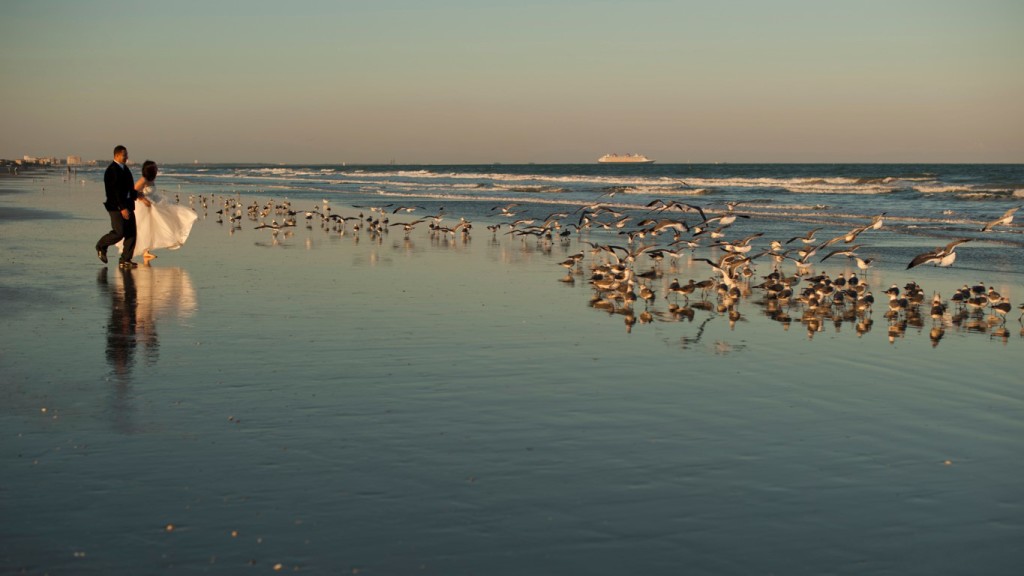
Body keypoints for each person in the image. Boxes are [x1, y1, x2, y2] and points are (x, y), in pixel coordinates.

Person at [118, 160, 198, 263]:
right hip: (143, 206)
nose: (157, 170)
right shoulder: (143, 180)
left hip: (152, 203)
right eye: (155, 168)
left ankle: (146, 251)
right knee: (144, 228)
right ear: (150, 170)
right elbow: (134, 192)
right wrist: (143, 199)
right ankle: (141, 251)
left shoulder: (151, 180)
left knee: (152, 228)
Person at [95, 145, 138, 268]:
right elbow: (113, 192)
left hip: (129, 205)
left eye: (127, 155)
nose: (127, 157)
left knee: (131, 234)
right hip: (116, 207)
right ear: (117, 155)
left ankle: (125, 260)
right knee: (119, 233)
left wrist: (136, 195)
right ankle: (101, 246)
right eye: (125, 155)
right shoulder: (112, 170)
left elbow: (129, 188)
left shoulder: (125, 169)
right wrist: (122, 208)